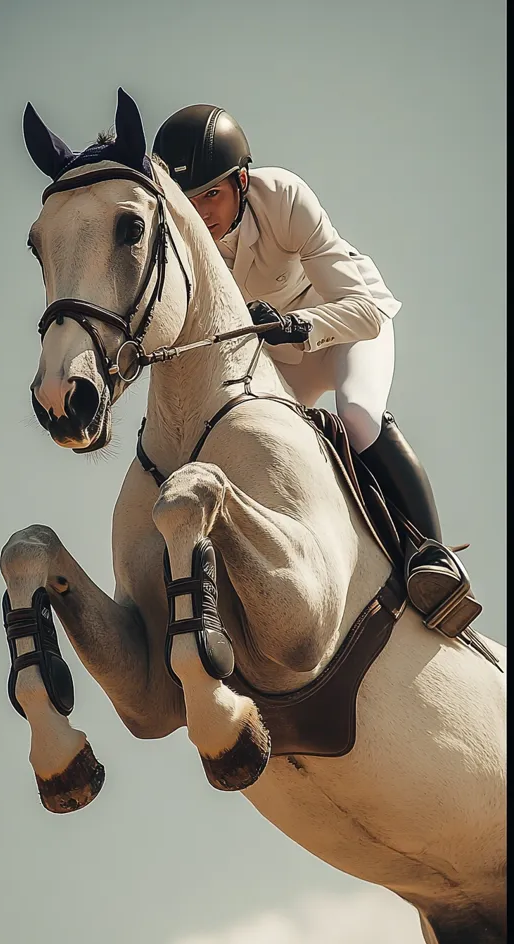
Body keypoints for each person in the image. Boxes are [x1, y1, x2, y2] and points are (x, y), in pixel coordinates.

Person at [152, 105, 480, 637]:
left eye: (211, 194)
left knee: (357, 417)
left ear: (241, 181)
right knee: (249, 453)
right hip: (279, 362)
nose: (201, 212)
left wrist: (296, 325)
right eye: (187, 200)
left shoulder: (282, 197)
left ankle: (433, 558)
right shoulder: (177, 245)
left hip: (346, 329)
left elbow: (364, 312)